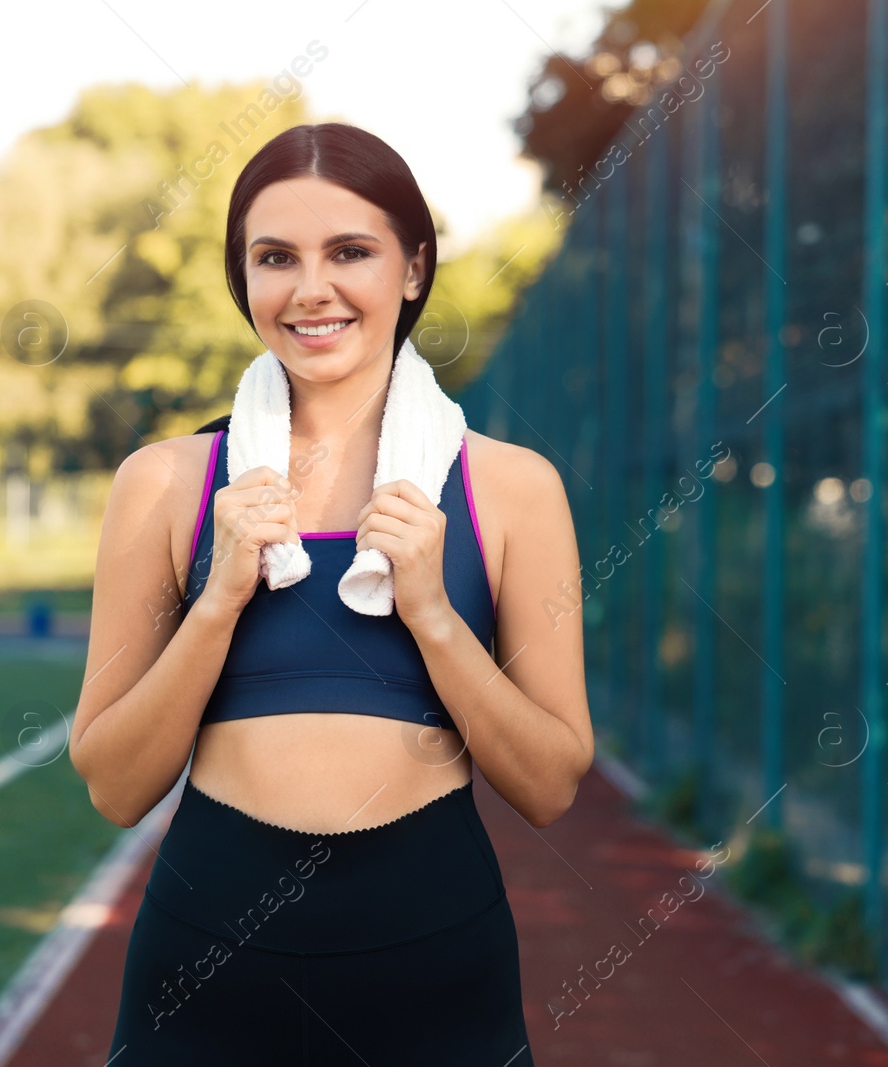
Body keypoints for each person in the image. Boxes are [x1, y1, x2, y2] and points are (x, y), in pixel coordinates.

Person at [71, 121, 592, 1064]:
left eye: (350, 251)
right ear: (246, 283)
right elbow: (113, 782)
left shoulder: (514, 488)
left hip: (439, 968)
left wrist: (434, 612)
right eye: (276, 258)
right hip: (209, 968)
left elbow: (552, 782)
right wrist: (220, 598)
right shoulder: (165, 484)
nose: (312, 289)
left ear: (414, 268)